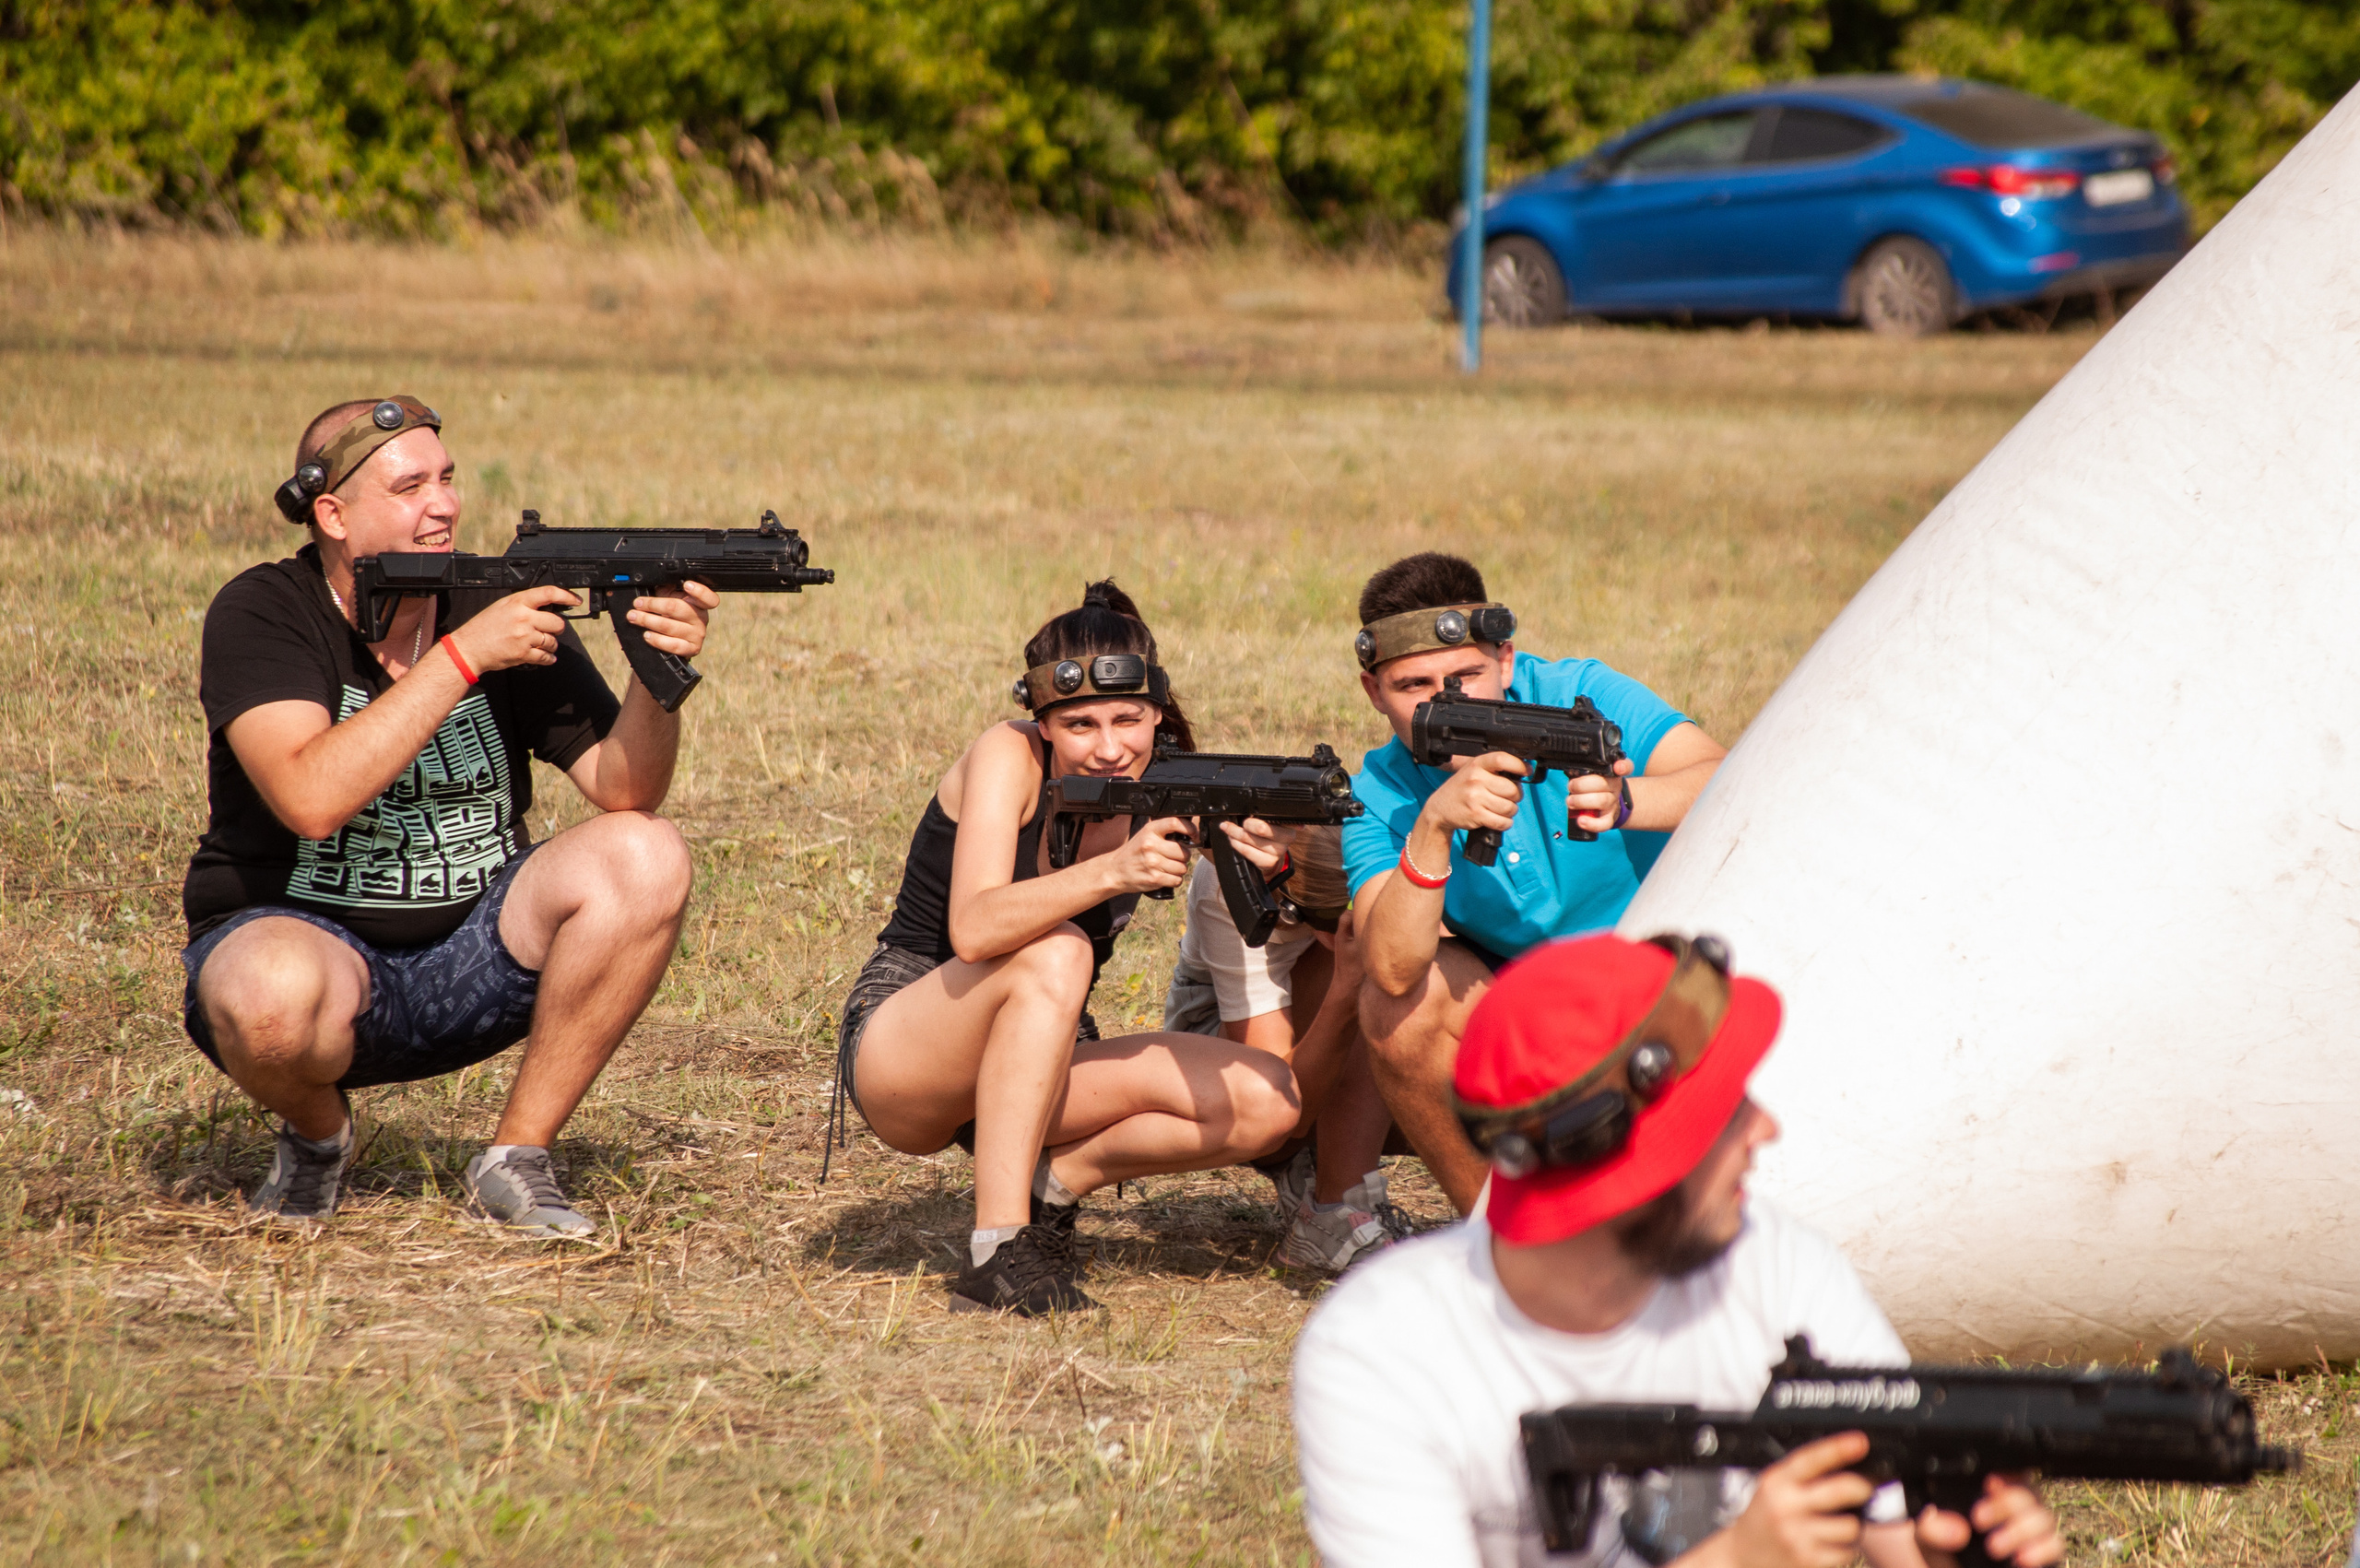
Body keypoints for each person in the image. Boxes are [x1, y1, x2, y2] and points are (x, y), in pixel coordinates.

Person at [1292, 932, 2064, 1568]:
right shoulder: (1381, 1351)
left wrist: (1963, 1551)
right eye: (1723, 1112)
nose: (1765, 1129)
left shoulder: (1779, 1269)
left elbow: (1902, 1535)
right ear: (1619, 1170)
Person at [182, 395, 710, 1238]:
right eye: (410, 485)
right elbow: (308, 798)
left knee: (647, 853)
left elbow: (625, 791)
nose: (445, 505)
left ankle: (517, 1157)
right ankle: (321, 1138)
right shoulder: (264, 612)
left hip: (478, 958)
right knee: (266, 999)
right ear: (334, 515)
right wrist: (467, 658)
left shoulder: (487, 603)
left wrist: (659, 669)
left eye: (449, 479)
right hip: (308, 948)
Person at [837, 581, 1302, 1316]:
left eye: (1129, 719)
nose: (1111, 748)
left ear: (1157, 712)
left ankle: (1051, 1183)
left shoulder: (1168, 782)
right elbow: (975, 930)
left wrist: (1269, 858)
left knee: (1268, 1100)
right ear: (1043, 722)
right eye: (1080, 723)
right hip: (911, 1045)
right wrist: (1114, 869)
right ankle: (998, 1251)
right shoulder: (1007, 755)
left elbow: (1290, 898)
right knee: (1058, 951)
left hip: (1035, 1061)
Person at [1344, 552, 1728, 1213]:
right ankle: (1501, 1242)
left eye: (1467, 674)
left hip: (1669, 972)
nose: (1448, 701)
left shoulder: (1581, 688)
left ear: (1507, 661)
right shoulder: (1378, 790)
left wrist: (1627, 800)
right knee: (1395, 1012)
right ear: (1373, 691)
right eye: (1415, 685)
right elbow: (1391, 965)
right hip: (1537, 1009)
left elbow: (1727, 777)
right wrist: (1432, 826)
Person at [1162, 826, 1406, 1270]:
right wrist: (1347, 985)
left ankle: (1333, 1178)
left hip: (1296, 1013)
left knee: (1393, 966)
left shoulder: (1365, 825)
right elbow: (1278, 1107)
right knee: (1374, 978)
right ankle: (1331, 1214)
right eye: (1332, 921)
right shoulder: (1231, 884)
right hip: (1214, 1032)